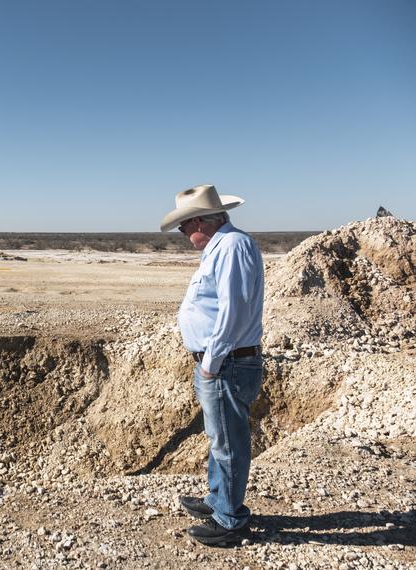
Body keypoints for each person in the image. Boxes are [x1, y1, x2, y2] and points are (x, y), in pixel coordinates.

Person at [160, 184, 265, 545]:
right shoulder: (220, 247)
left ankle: (231, 520)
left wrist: (211, 363)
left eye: (184, 226)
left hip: (226, 363)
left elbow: (232, 311)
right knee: (219, 437)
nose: (183, 233)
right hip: (222, 362)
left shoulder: (233, 246)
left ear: (200, 220)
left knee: (229, 443)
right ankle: (218, 500)